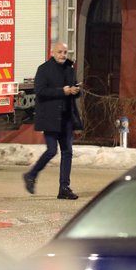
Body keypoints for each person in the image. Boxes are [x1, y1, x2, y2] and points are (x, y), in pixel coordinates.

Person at [23, 42, 82, 200]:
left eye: (65, 52)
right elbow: (40, 92)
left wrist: (76, 90)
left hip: (66, 117)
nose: (63, 55)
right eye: (60, 52)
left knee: (67, 152)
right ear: (53, 53)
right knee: (51, 150)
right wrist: (62, 91)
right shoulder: (44, 69)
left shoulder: (69, 68)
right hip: (50, 117)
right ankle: (31, 175)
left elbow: (74, 91)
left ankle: (64, 188)